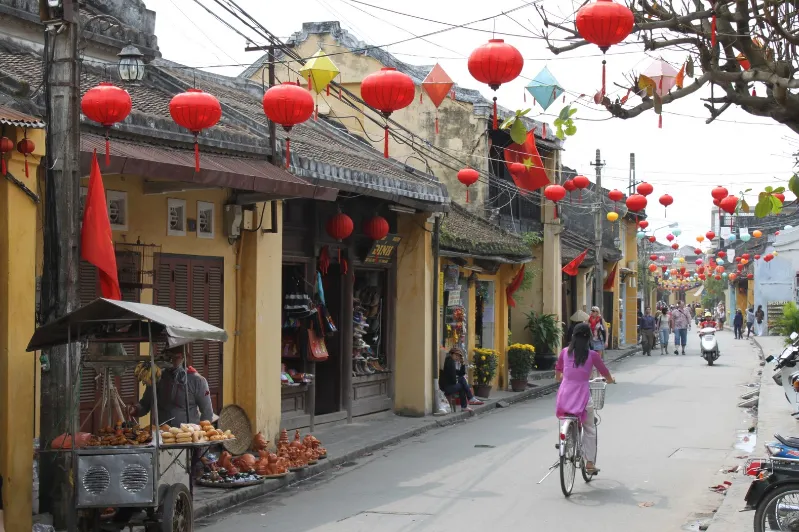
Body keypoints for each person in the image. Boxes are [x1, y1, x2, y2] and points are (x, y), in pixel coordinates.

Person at [555, 323, 615, 475]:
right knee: (589, 428)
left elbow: (558, 375)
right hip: (582, 396)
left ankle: (567, 439)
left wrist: (567, 377)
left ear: (573, 337)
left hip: (564, 396)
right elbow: (605, 372)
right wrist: (610, 379)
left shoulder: (564, 352)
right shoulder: (592, 355)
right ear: (589, 337)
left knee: (567, 418)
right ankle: (589, 463)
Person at [128, 345, 214, 426]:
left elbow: (207, 413)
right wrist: (134, 409)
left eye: (176, 357)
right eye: (169, 357)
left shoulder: (198, 381)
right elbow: (145, 404)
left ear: (183, 357)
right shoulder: (158, 377)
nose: (172, 360)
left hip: (186, 436)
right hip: (161, 435)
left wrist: (201, 434)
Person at [439, 347, 481, 412]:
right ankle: (468, 402)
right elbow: (453, 379)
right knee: (462, 384)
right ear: (451, 354)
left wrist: (463, 363)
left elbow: (461, 373)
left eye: (459, 356)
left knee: (462, 381)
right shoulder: (450, 361)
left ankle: (469, 400)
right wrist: (457, 379)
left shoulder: (449, 360)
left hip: (448, 386)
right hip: (447, 388)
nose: (457, 357)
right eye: (456, 355)